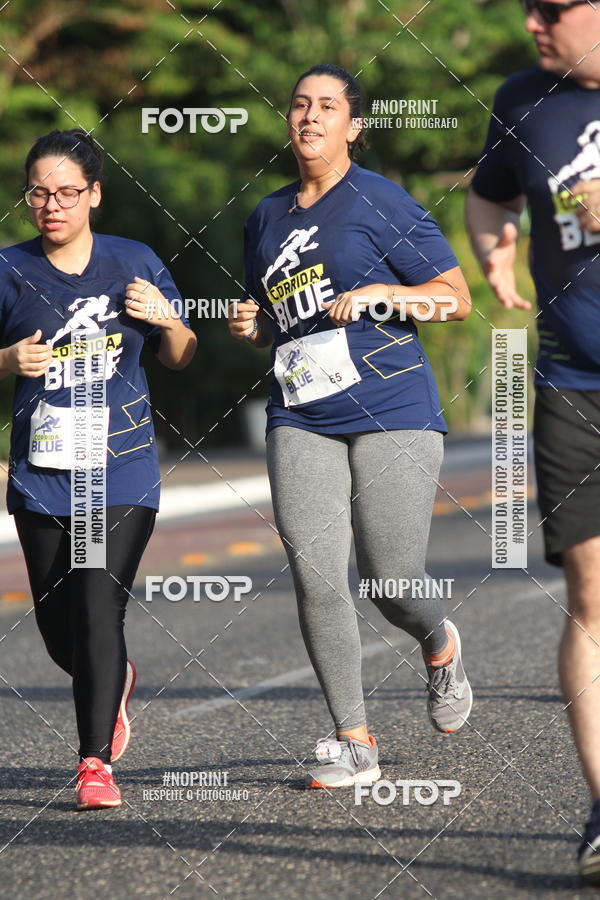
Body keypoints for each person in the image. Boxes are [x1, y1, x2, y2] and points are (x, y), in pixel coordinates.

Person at [228, 64, 473, 789]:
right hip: (302, 411)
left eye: (326, 107)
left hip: (393, 406)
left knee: (389, 577)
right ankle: (354, 742)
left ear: (353, 126)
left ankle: (438, 639)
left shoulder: (381, 200)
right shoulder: (267, 216)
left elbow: (454, 300)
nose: (308, 117)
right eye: (299, 104)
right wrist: (253, 323)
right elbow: (274, 316)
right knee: (315, 575)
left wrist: (384, 294)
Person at [0, 129, 197, 810]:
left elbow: (180, 352)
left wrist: (167, 318)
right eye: (38, 192)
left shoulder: (132, 261)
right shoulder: (8, 268)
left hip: (117, 471)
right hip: (41, 474)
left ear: (94, 195)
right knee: (62, 630)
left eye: (66, 192)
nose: (51, 205)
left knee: (95, 603)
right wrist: (6, 362)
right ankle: (114, 681)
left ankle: (92, 763)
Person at [466, 0, 600, 882]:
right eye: (527, 8)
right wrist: (494, 252)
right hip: (570, 384)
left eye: (552, 7)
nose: (532, 23)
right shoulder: (524, 101)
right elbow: (489, 195)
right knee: (592, 597)